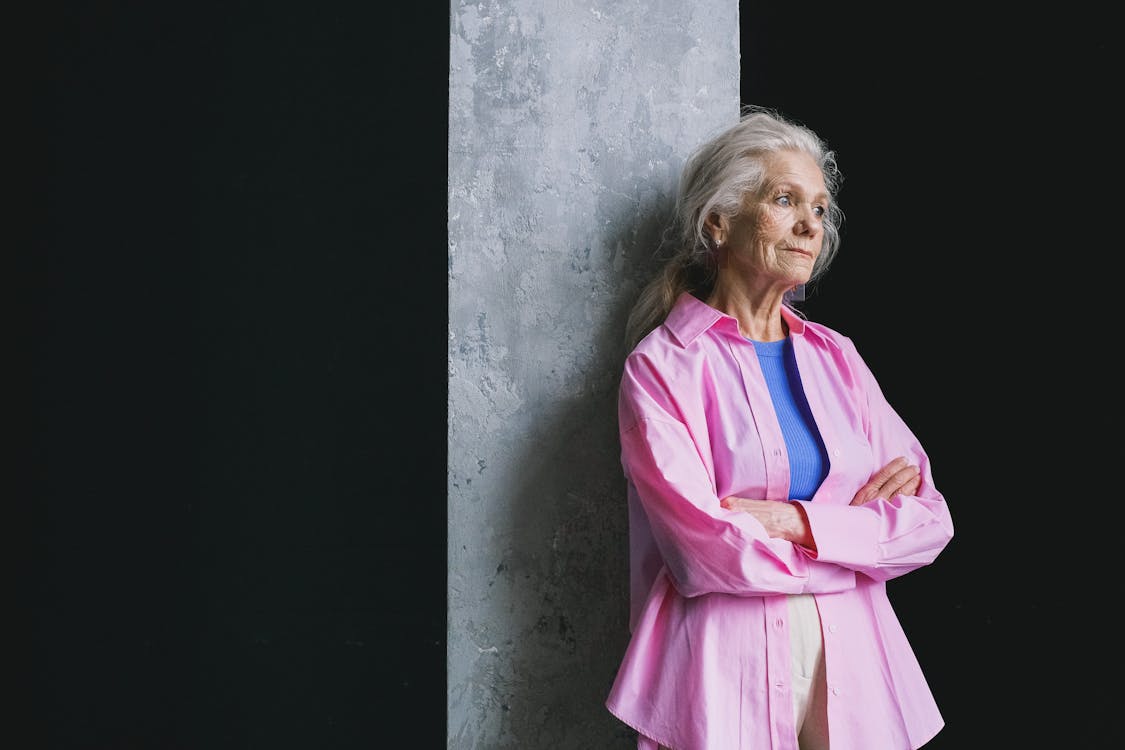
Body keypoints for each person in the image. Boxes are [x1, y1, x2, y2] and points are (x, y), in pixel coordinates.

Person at [603, 105, 954, 750]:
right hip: (716, 670)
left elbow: (930, 522)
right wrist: (857, 541)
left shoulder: (839, 358)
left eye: (819, 209)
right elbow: (703, 553)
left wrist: (794, 522)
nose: (808, 226)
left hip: (856, 664)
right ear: (719, 223)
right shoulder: (663, 367)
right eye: (785, 200)